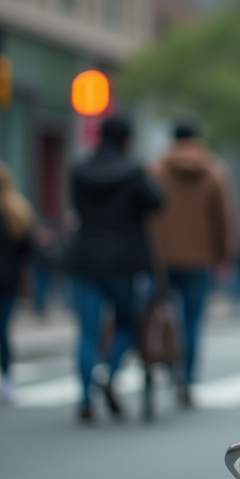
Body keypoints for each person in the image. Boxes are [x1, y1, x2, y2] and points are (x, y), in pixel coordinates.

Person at [69, 114, 163, 422]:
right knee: (127, 323)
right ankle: (107, 372)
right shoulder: (133, 170)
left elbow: (77, 208)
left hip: (86, 259)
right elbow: (156, 202)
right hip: (125, 261)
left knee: (87, 332)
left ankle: (84, 399)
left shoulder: (79, 170)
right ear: (126, 139)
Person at [149, 119, 235, 407]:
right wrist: (223, 255)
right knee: (192, 321)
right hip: (201, 258)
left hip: (161, 258)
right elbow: (222, 218)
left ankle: (166, 365)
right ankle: (186, 379)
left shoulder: (156, 169)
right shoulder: (214, 170)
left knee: (160, 316)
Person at [0, 160, 35, 404]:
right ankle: (7, 379)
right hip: (8, 279)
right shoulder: (18, 211)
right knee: (2, 330)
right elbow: (27, 249)